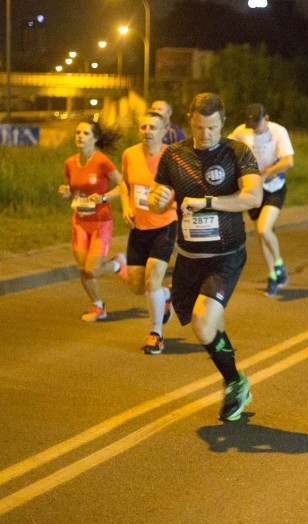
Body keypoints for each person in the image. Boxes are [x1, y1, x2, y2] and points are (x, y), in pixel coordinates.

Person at [147, 92, 262, 422]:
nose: (205, 135)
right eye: (199, 127)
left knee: (201, 321)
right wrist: (157, 201)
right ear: (189, 121)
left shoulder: (237, 151)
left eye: (212, 128)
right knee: (209, 324)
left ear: (223, 123)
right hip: (189, 256)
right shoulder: (174, 155)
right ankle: (235, 379)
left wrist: (208, 203)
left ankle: (234, 382)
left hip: (225, 255)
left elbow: (252, 197)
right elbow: (163, 198)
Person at [58, 118, 128, 322]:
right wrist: (66, 192)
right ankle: (98, 306)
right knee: (83, 269)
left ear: (95, 138)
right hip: (79, 221)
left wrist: (104, 197)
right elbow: (72, 190)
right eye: (78, 133)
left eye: (86, 133)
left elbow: (123, 185)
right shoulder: (70, 163)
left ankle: (117, 264)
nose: (80, 136)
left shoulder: (102, 161)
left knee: (92, 269)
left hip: (101, 222)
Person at [121, 111, 178, 353]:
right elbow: (125, 183)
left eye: (153, 127)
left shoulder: (172, 157)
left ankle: (156, 334)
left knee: (152, 278)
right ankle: (167, 296)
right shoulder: (129, 154)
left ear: (164, 131)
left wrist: (172, 203)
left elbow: (182, 188)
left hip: (164, 225)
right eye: (143, 127)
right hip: (139, 227)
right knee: (137, 285)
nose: (147, 131)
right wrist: (125, 207)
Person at [228, 103, 295, 297]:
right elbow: (226, 145)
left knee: (263, 228)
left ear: (266, 118)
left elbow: (288, 161)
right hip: (254, 190)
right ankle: (274, 274)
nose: (254, 129)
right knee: (261, 234)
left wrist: (266, 173)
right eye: (251, 125)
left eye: (257, 124)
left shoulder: (278, 131)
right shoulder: (242, 131)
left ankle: (279, 265)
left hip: (274, 187)